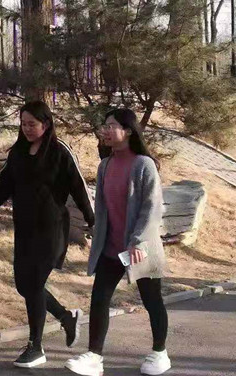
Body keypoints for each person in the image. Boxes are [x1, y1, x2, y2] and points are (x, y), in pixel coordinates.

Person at [0, 101, 95, 369]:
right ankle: (65, 317)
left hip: (51, 229)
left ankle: (36, 346)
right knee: (24, 285)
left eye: (32, 124)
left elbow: (78, 187)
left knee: (33, 284)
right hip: (25, 229)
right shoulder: (18, 152)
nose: (27, 129)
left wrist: (92, 220)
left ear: (46, 124)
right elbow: (6, 182)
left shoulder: (59, 151)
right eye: (23, 124)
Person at [65, 108, 170, 376]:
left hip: (141, 248)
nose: (106, 130)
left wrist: (138, 242)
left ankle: (160, 353)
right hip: (111, 247)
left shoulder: (144, 165)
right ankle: (94, 357)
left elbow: (152, 208)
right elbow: (102, 208)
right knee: (99, 298)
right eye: (105, 126)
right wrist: (97, 236)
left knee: (152, 300)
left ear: (129, 131)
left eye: (111, 126)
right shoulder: (105, 165)